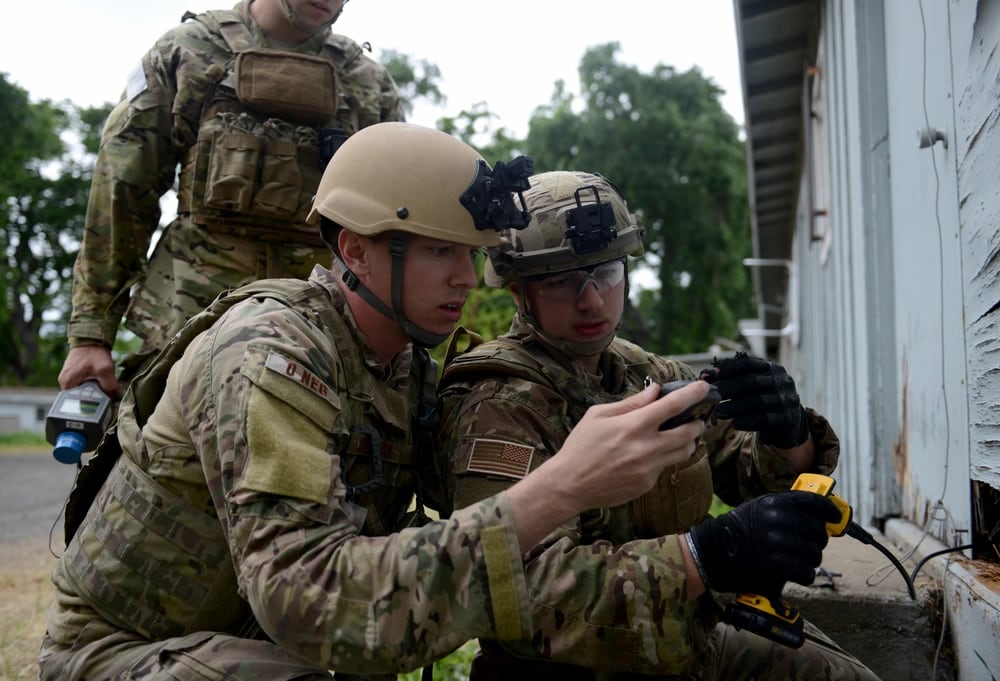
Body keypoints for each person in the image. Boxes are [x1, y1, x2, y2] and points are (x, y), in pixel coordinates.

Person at [37, 123, 716, 681]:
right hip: (119, 652)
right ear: (356, 251)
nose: (465, 277)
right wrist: (562, 487)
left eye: (473, 253)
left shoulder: (404, 367)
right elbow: (312, 598)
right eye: (438, 252)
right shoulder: (269, 351)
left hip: (245, 647)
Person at [436, 170, 882, 680]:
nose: (591, 300)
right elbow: (518, 591)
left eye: (605, 272)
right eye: (561, 281)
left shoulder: (645, 373)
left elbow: (743, 472)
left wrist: (789, 437)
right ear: (518, 292)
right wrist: (705, 555)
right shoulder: (497, 400)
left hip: (681, 643)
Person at [58, 0, 405, 399]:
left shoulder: (368, 83)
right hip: (188, 332)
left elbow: (396, 223)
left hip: (323, 343)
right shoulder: (188, 51)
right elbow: (121, 194)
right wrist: (91, 334)